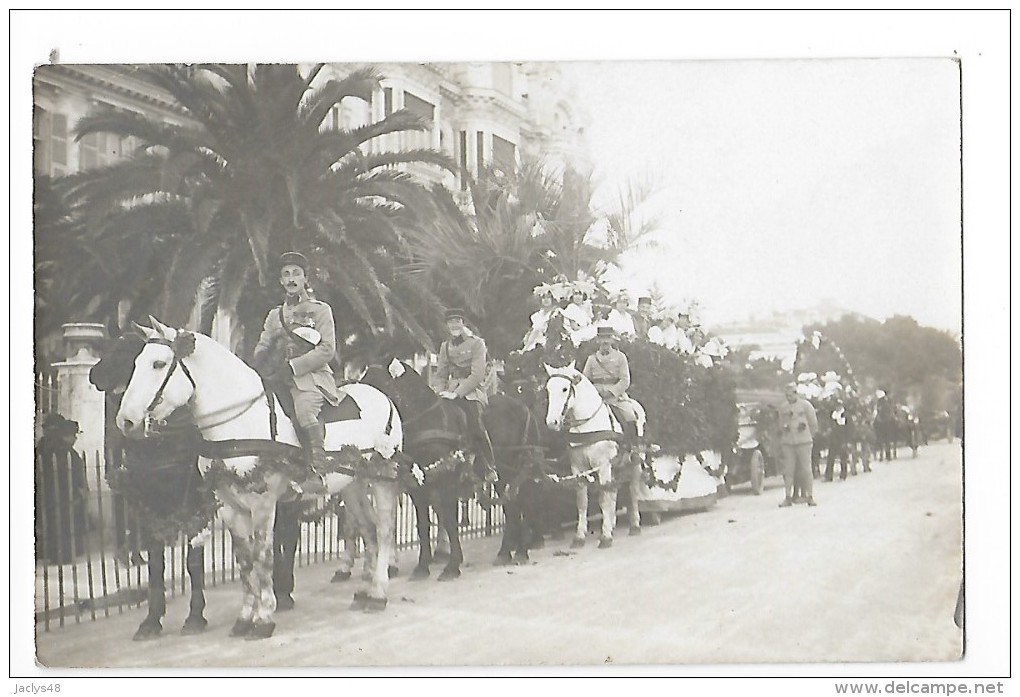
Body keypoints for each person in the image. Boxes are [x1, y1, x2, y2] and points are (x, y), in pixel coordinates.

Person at [253, 251, 341, 490]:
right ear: (281, 281)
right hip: (277, 379)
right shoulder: (275, 315)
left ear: (305, 279)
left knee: (304, 414)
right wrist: (258, 362)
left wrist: (293, 367)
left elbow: (327, 350)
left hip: (310, 379)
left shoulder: (320, 310)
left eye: (296, 274)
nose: (291, 279)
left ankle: (318, 469)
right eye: (286, 274)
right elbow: (264, 344)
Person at [431, 308, 497, 482]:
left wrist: (457, 393)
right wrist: (439, 391)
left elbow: (477, 375)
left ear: (464, 323)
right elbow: (441, 374)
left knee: (475, 422)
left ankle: (489, 465)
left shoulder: (477, 343)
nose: (454, 325)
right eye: (450, 322)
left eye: (457, 321)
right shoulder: (445, 346)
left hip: (472, 392)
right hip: (450, 390)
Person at [35, 413, 89, 564]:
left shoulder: (50, 448)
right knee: (60, 523)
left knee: (60, 523)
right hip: (58, 493)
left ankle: (59, 553)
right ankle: (60, 554)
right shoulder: (53, 449)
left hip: (58, 493)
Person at [582, 326, 644, 439]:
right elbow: (585, 380)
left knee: (630, 415)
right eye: (602, 338)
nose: (605, 341)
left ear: (612, 340)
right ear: (597, 340)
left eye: (608, 338)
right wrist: (593, 393)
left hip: (615, 397)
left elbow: (625, 380)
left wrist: (612, 392)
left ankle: (632, 447)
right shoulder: (591, 359)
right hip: (595, 396)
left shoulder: (620, 357)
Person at [778, 382, 819, 507]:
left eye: (791, 395)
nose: (789, 398)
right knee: (788, 471)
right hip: (788, 443)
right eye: (787, 396)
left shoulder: (805, 405)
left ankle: (810, 496)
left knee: (806, 470)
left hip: (804, 442)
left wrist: (808, 436)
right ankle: (788, 497)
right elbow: (780, 424)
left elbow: (813, 423)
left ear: (796, 394)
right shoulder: (783, 408)